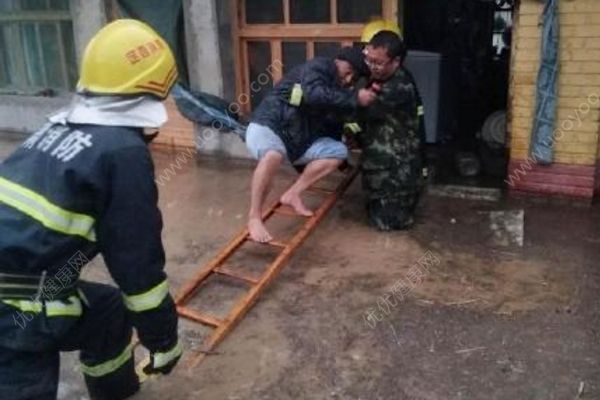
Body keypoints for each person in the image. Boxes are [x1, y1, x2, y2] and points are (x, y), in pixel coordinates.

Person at [0, 20, 181, 400]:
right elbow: (138, 267)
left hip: (19, 280)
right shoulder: (122, 152)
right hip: (15, 309)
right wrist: (163, 340)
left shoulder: (59, 127)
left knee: (107, 310)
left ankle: (115, 391)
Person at [246, 47, 376, 243]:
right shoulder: (319, 66)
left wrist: (345, 160)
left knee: (338, 151)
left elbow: (332, 126)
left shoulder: (337, 91)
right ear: (338, 61)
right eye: (348, 71)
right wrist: (355, 98)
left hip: (296, 142)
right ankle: (254, 217)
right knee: (273, 155)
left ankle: (292, 194)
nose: (349, 80)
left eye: (354, 77)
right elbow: (314, 94)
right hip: (269, 125)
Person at [359, 29, 427, 231]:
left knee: (387, 224)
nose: (372, 66)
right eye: (369, 60)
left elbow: (361, 110)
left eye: (378, 62)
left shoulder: (398, 86)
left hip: (395, 176)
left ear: (396, 62)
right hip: (381, 168)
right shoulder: (382, 76)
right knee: (373, 216)